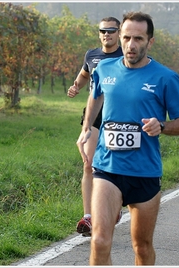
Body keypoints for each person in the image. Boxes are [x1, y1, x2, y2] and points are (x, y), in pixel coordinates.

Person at [77, 11, 179, 265]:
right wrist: (86, 127)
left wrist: (161, 126)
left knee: (141, 248)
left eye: (139, 39)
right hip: (108, 168)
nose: (131, 45)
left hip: (144, 173)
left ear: (150, 42)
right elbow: (96, 94)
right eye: (127, 37)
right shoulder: (105, 67)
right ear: (120, 37)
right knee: (99, 242)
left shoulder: (165, 78)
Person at [67, 17, 124, 237]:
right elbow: (83, 75)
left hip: (119, 116)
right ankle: (89, 217)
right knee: (88, 164)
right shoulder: (91, 55)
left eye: (111, 31)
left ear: (118, 33)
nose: (106, 34)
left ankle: (115, 206)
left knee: (114, 166)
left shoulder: (125, 56)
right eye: (103, 31)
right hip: (93, 115)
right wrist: (76, 87)